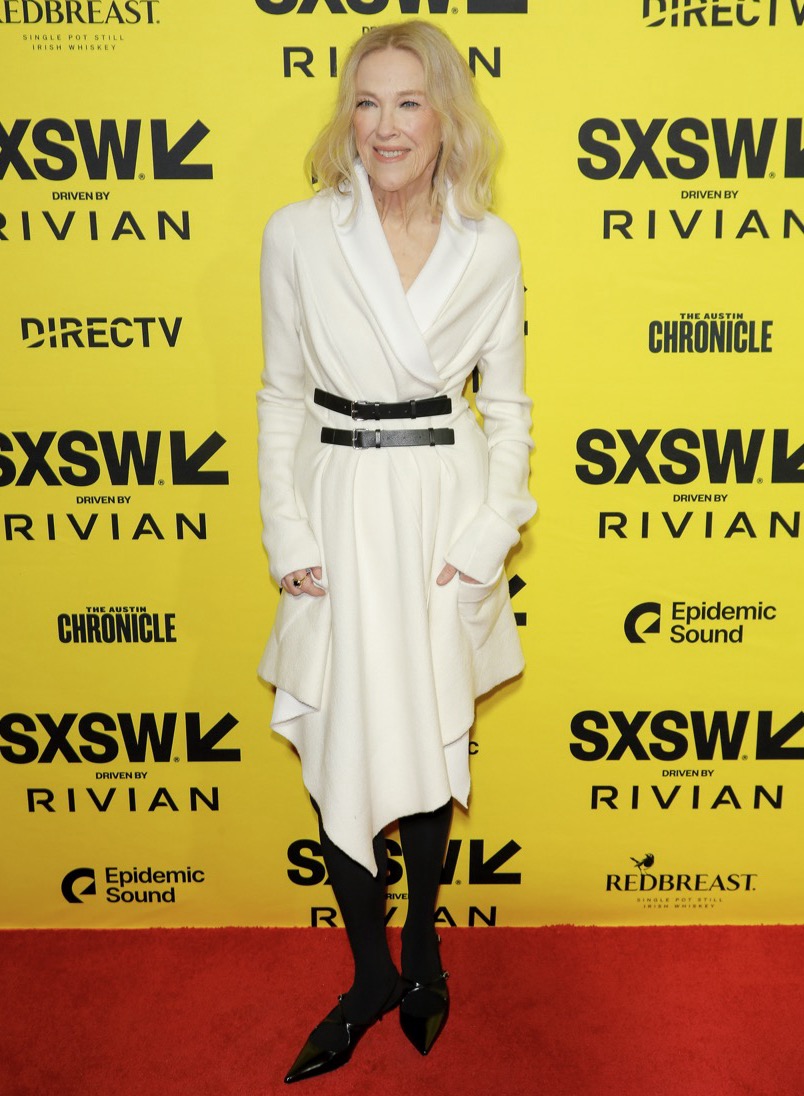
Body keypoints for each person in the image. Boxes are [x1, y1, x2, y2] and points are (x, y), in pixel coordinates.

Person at [256, 20, 536, 1084]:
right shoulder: (298, 234)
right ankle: (370, 974)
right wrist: (287, 530)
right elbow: (282, 395)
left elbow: (507, 408)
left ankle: (421, 954)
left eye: (408, 103)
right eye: (366, 103)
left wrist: (488, 534)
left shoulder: (488, 245)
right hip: (334, 501)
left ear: (445, 115)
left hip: (440, 509)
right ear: (348, 116)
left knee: (423, 736)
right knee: (341, 736)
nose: (385, 127)